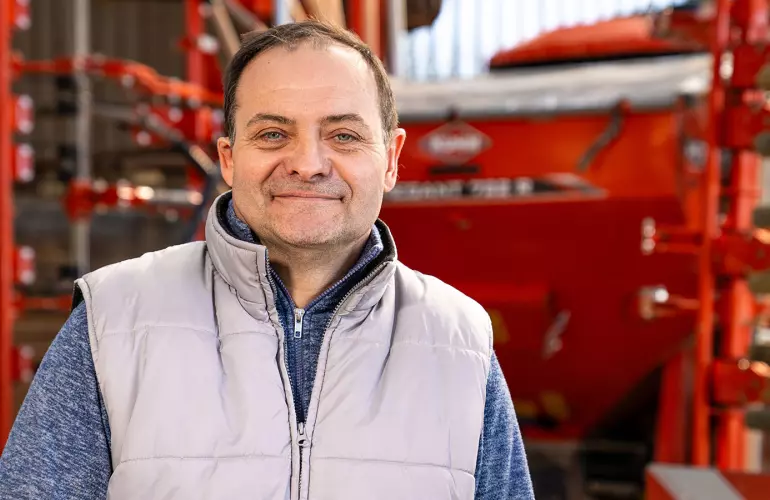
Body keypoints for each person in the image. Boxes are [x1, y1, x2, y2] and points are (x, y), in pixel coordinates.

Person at [0, 20, 534, 500]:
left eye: (343, 135)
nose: (307, 163)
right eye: (273, 133)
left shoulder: (459, 342)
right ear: (230, 159)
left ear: (391, 159)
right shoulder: (111, 322)